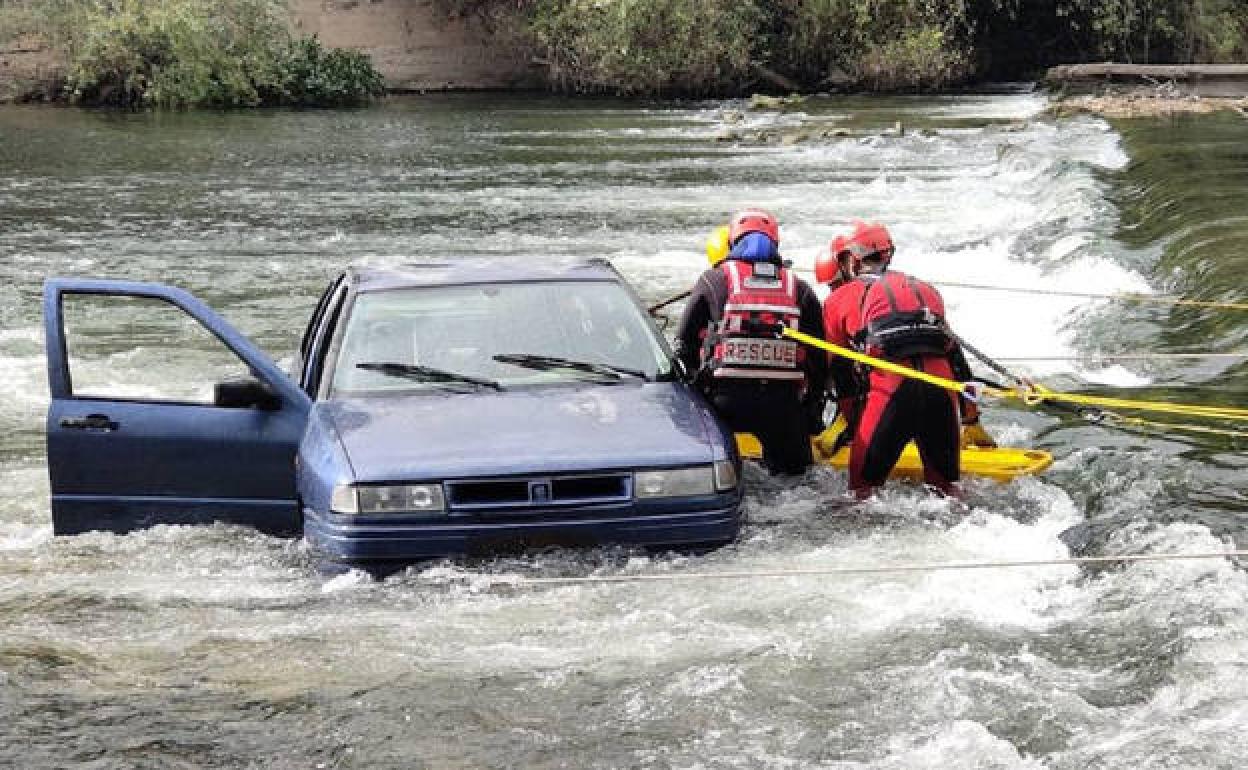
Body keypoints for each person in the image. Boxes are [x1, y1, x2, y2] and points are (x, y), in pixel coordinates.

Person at [820, 220, 995, 498]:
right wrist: (971, 421)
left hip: (890, 392)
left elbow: (841, 373)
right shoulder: (924, 290)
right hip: (942, 391)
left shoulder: (838, 300)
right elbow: (958, 364)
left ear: (849, 261)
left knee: (861, 495)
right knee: (947, 492)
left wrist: (852, 427)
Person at [676, 209, 828, 475]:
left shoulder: (714, 280)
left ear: (732, 242)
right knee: (796, 480)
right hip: (783, 406)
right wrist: (811, 414)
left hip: (724, 403)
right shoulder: (800, 287)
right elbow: (818, 359)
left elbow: (685, 342)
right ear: (776, 244)